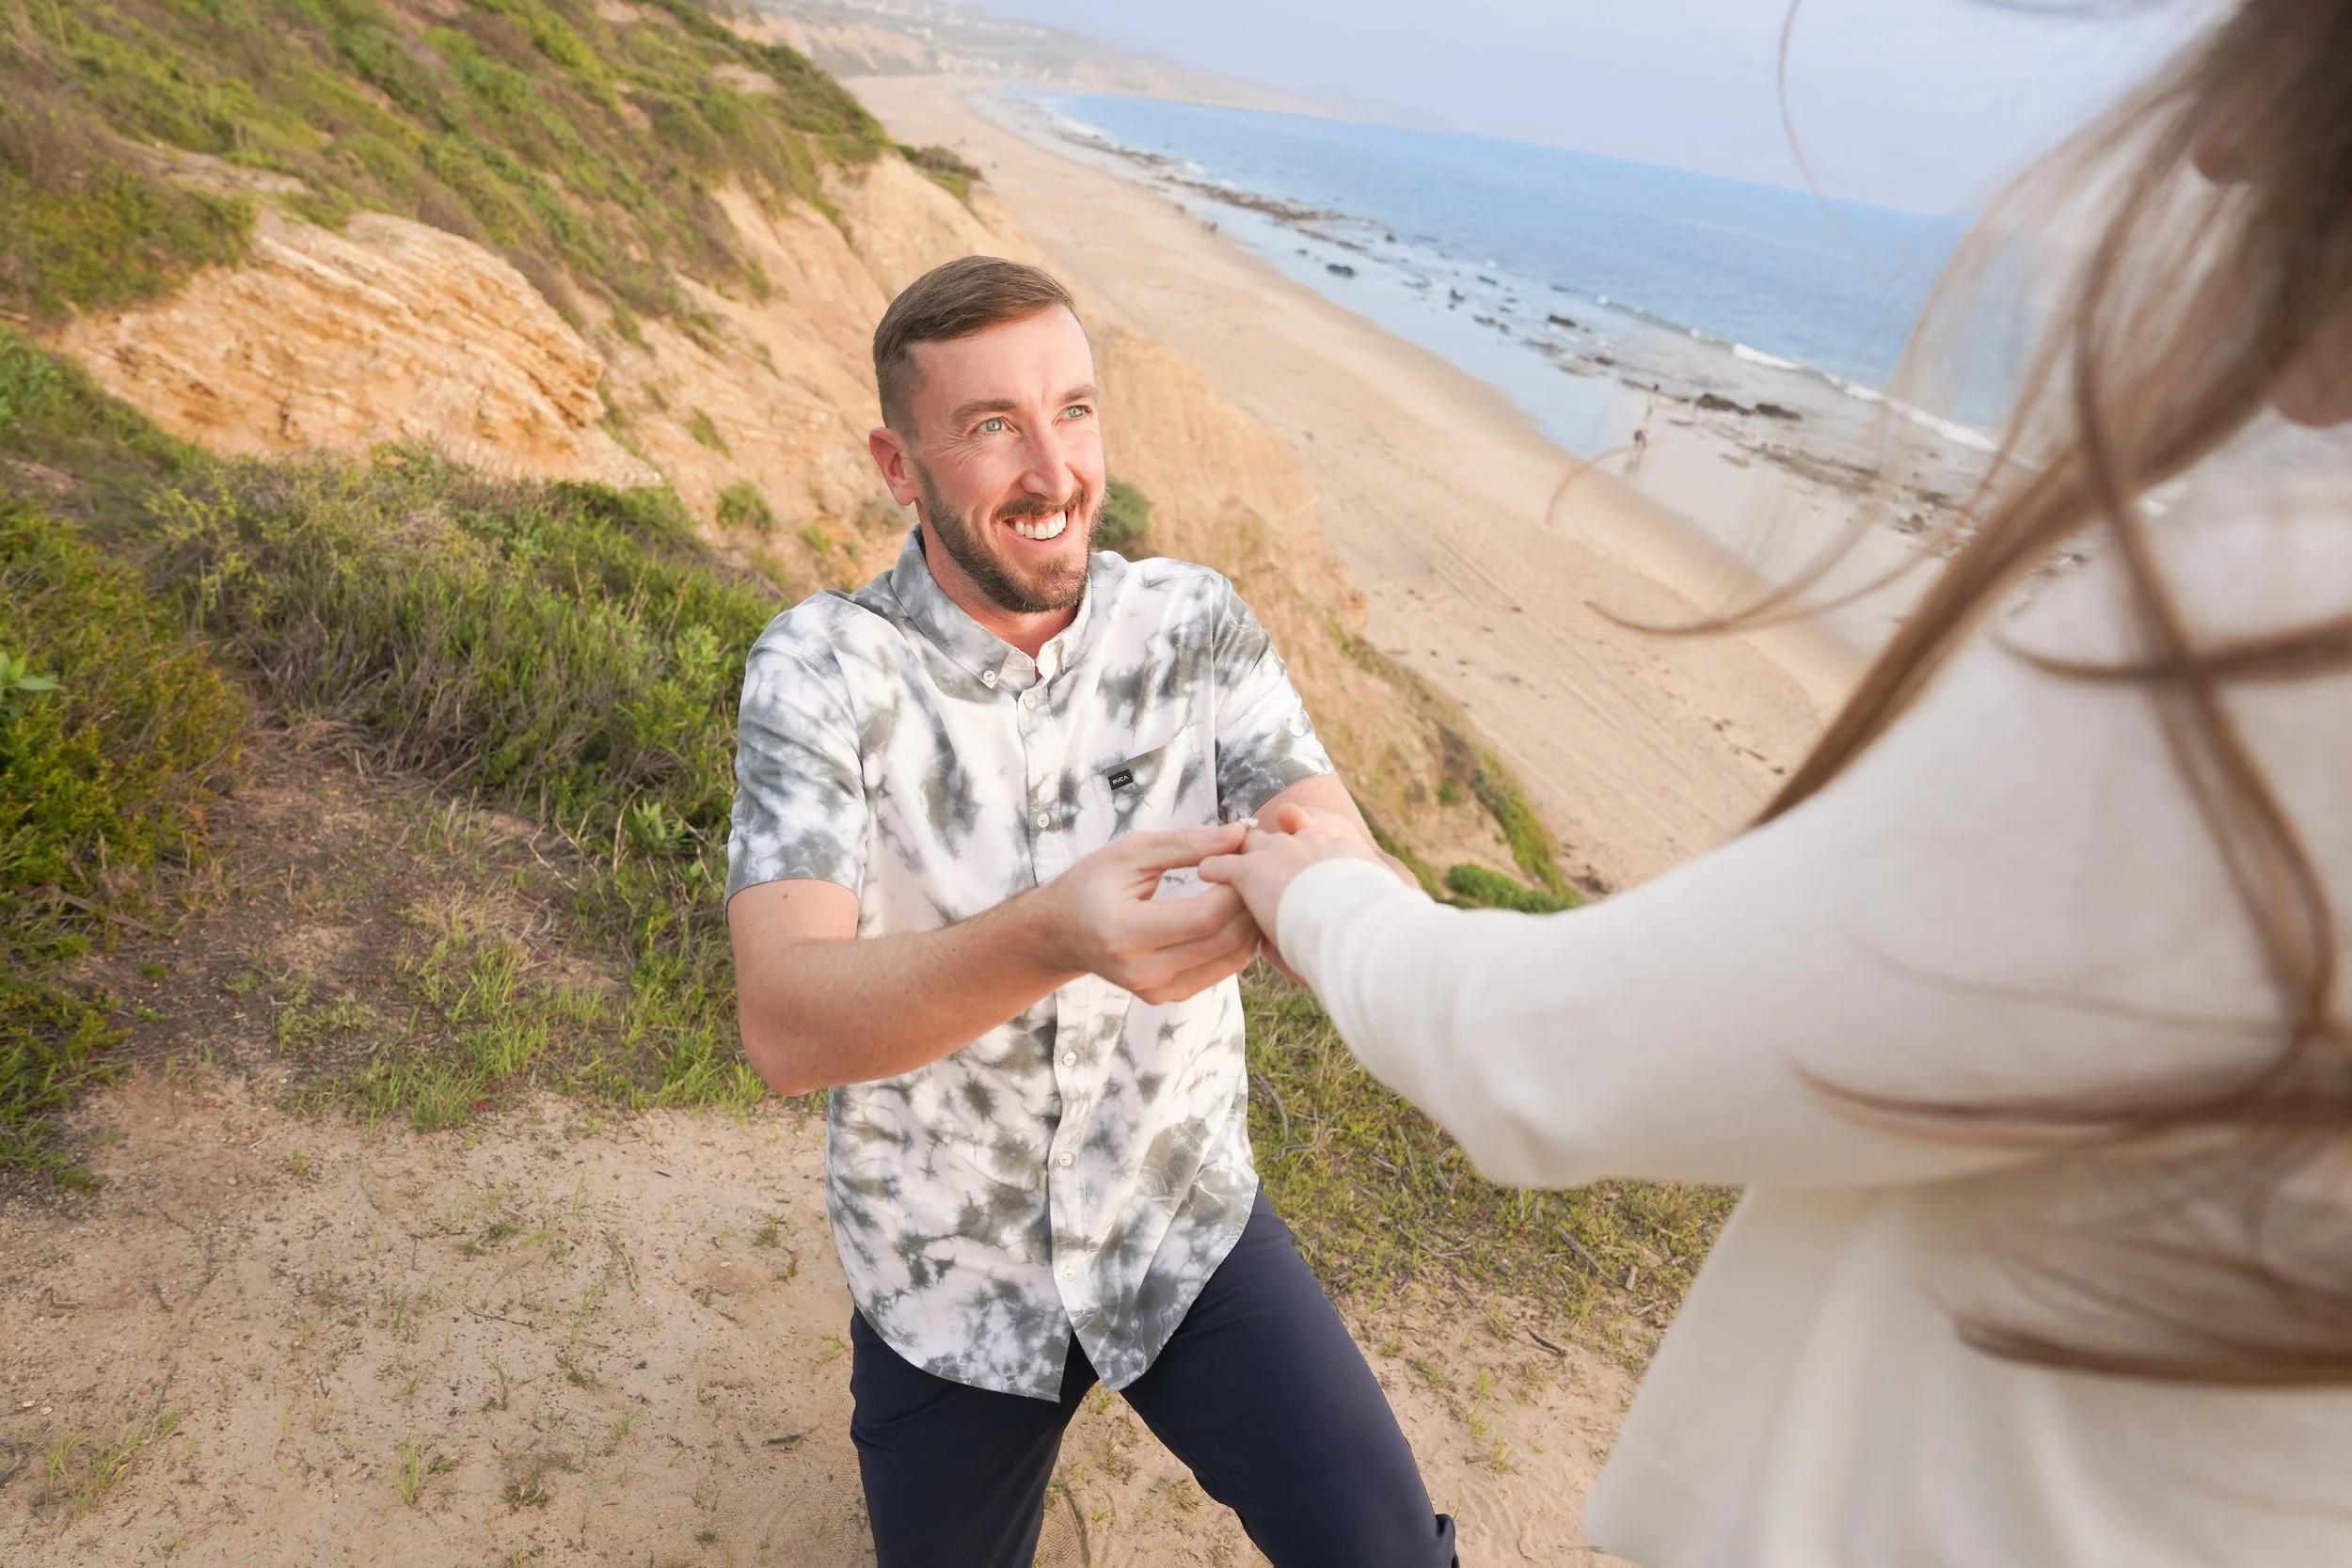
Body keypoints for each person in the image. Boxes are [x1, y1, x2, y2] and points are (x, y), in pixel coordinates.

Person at [1203, 2, 2352, 1563]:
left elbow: (1539, 1060)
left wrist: (1323, 886)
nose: (2219, 145)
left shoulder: (2273, 643)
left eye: (2283, 46)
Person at [723, 256, 1455, 1568]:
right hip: (948, 1273)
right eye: (993, 425)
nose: (1055, 473)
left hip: (1179, 1218)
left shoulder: (1193, 623)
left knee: (1390, 1550)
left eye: (1073, 409)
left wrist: (1350, 917)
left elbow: (1332, 837)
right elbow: (785, 1020)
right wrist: (1049, 935)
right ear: (900, 465)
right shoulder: (823, 670)